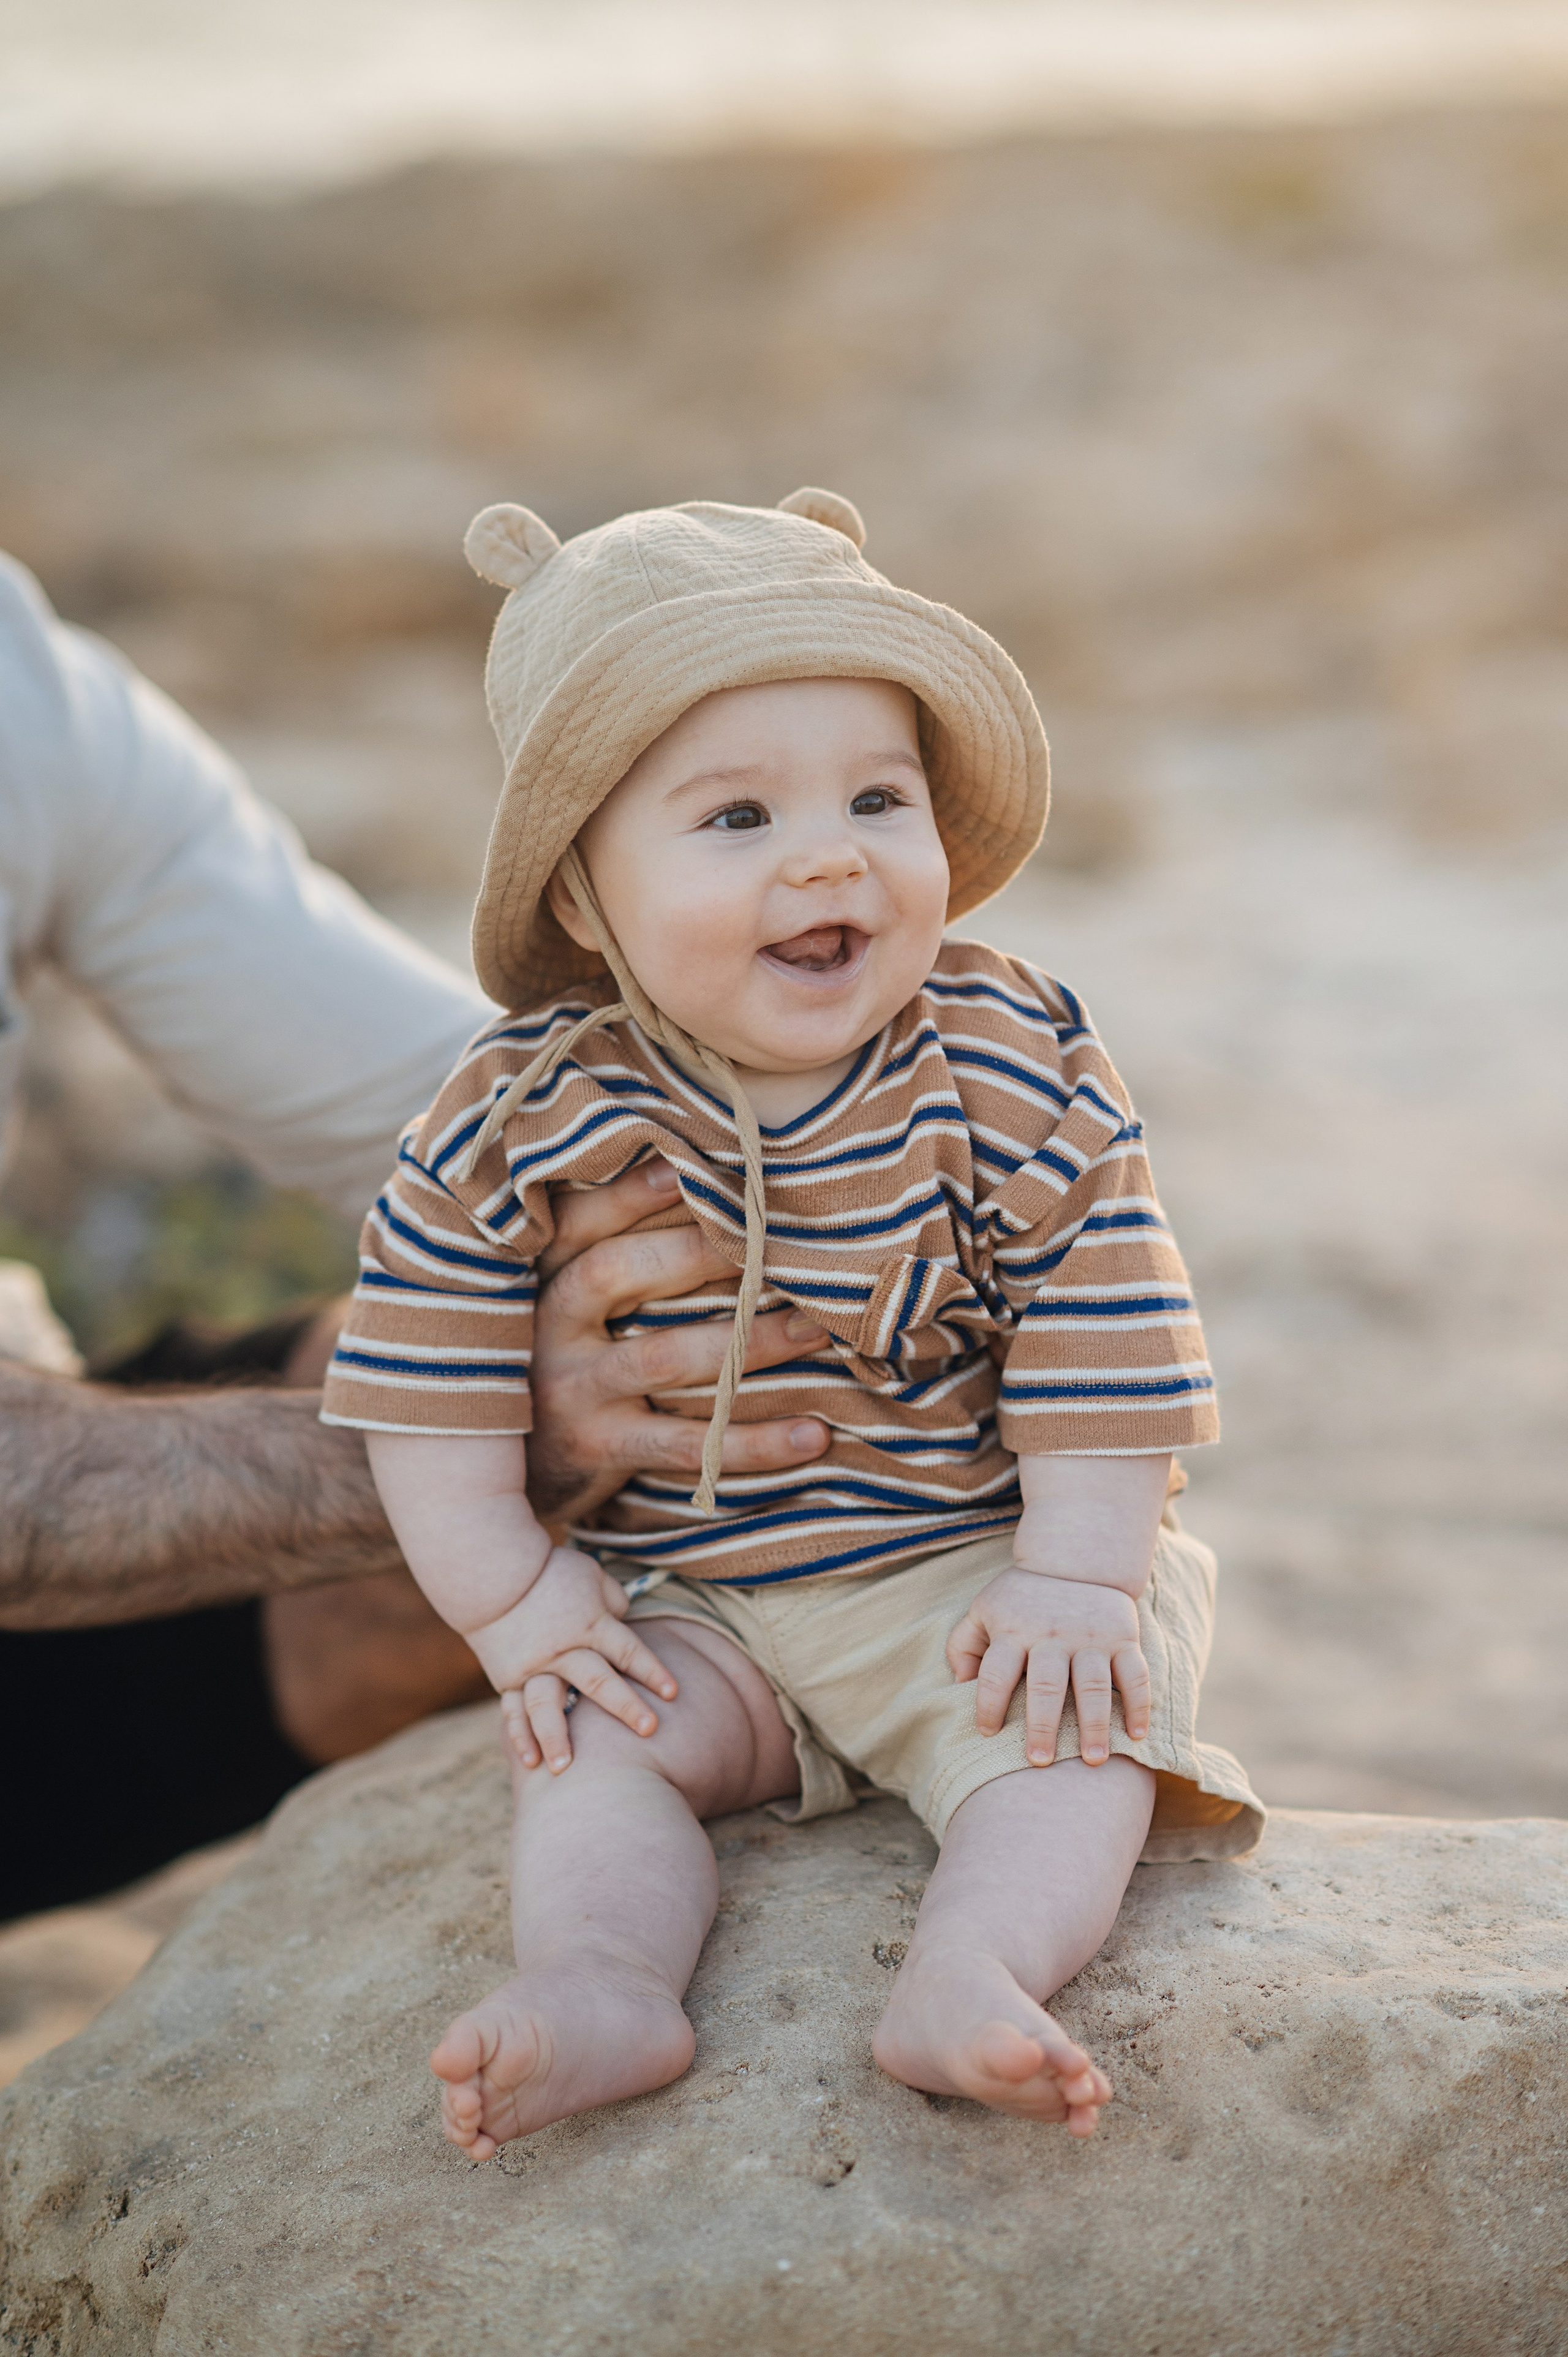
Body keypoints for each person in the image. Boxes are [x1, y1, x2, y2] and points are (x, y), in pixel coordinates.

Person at [322, 488, 1265, 2154]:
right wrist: (524, 1606)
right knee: (592, 1756)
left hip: (969, 1579)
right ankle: (607, 1982)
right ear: (585, 906)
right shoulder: (518, 1111)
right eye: (737, 817)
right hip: (696, 1607)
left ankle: (970, 1969)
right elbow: (426, 1384)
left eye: (878, 799)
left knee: (1078, 1737)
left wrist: (1076, 1574)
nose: (829, 855)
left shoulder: (1000, 1047)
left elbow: (1102, 1323)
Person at [0, 552, 832, 1918]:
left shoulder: (29, 698)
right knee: (496, 1439)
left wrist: (834, 1251)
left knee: (635, 1383)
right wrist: (461, 1439)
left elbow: (473, 1120)